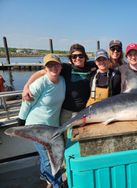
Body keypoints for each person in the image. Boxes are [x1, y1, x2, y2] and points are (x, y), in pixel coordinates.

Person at [18, 54, 66, 188]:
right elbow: (26, 102)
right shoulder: (40, 83)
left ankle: (44, 175)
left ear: (61, 66)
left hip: (53, 127)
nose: (54, 68)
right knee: (49, 160)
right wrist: (21, 121)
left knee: (51, 157)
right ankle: (57, 185)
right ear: (45, 68)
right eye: (50, 65)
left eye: (56, 64)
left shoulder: (62, 80)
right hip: (36, 127)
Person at [22, 43, 97, 124]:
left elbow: (106, 62)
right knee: (66, 135)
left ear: (85, 56)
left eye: (80, 56)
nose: (77, 58)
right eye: (74, 56)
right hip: (67, 112)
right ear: (70, 58)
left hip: (85, 111)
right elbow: (41, 73)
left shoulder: (91, 65)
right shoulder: (66, 68)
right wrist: (26, 87)